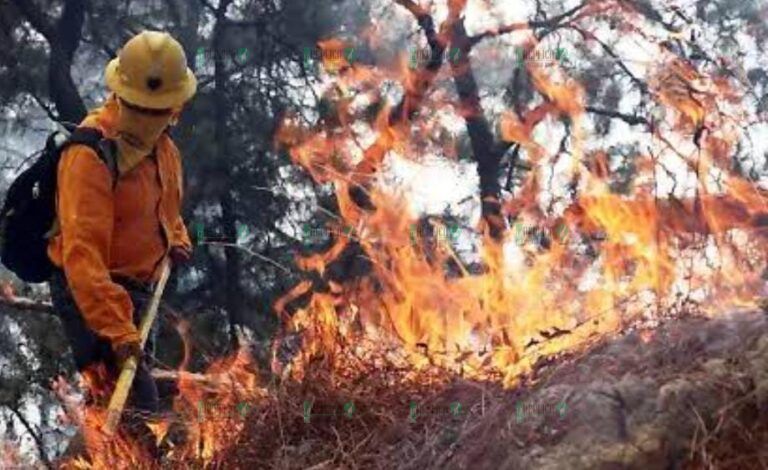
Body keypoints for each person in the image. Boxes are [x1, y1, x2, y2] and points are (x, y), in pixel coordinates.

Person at [46, 30, 196, 452]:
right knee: (138, 415)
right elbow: (82, 259)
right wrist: (117, 329)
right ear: (121, 97)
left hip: (137, 291)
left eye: (163, 110)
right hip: (90, 295)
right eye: (144, 110)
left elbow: (165, 207)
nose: (156, 118)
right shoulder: (88, 157)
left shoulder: (163, 148)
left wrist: (176, 237)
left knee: (118, 401)